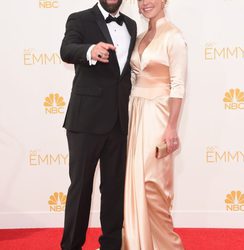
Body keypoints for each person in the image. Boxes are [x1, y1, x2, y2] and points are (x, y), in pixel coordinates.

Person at [60, 0, 137, 249]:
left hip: (118, 122)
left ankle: (111, 245)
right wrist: (90, 50)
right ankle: (71, 246)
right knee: (81, 189)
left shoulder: (132, 26)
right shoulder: (79, 18)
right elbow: (67, 49)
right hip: (85, 121)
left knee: (114, 190)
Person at [123, 0, 187, 249]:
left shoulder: (174, 37)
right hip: (135, 111)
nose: (145, 3)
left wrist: (172, 126)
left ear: (164, 1)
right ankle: (136, 240)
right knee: (134, 178)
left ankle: (166, 245)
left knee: (153, 183)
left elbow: (178, 85)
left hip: (158, 114)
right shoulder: (139, 37)